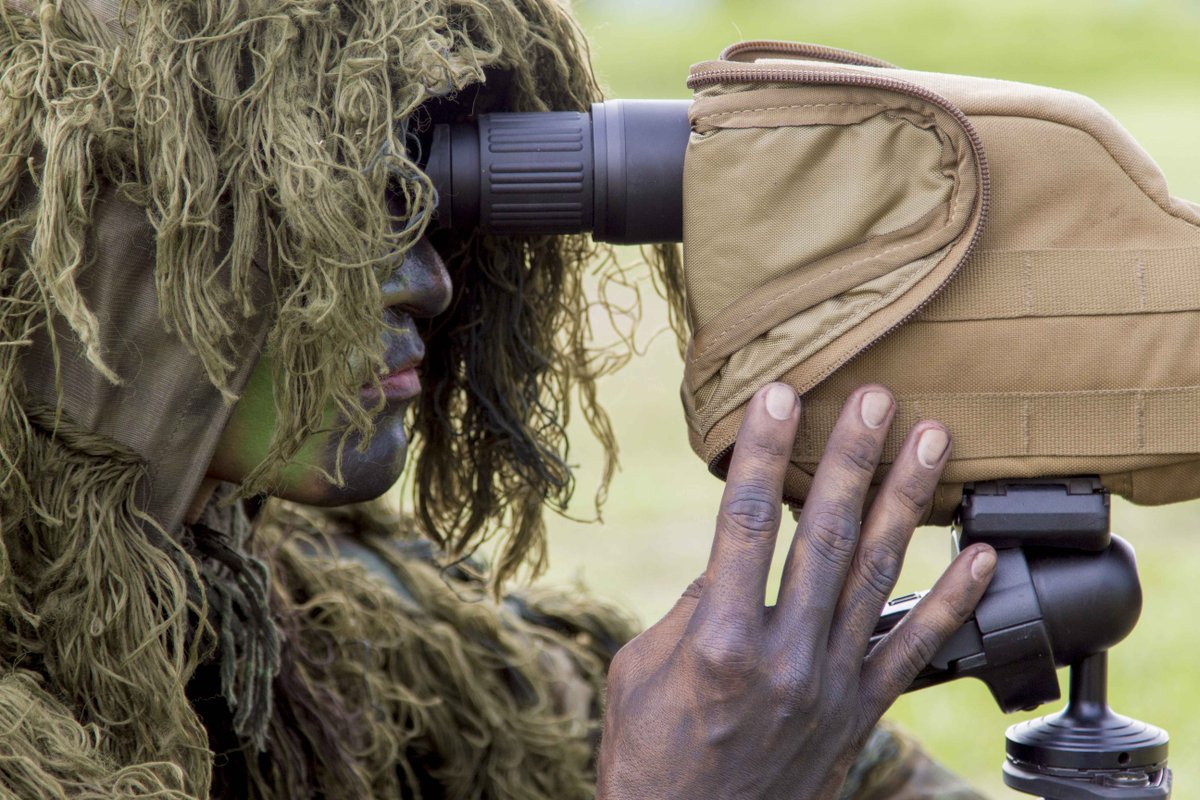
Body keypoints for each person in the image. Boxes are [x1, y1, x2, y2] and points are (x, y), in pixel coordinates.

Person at [0, 0, 992, 797]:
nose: (425, 281)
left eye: (421, 207)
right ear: (99, 254)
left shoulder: (297, 627)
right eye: (323, 221)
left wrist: (781, 713)